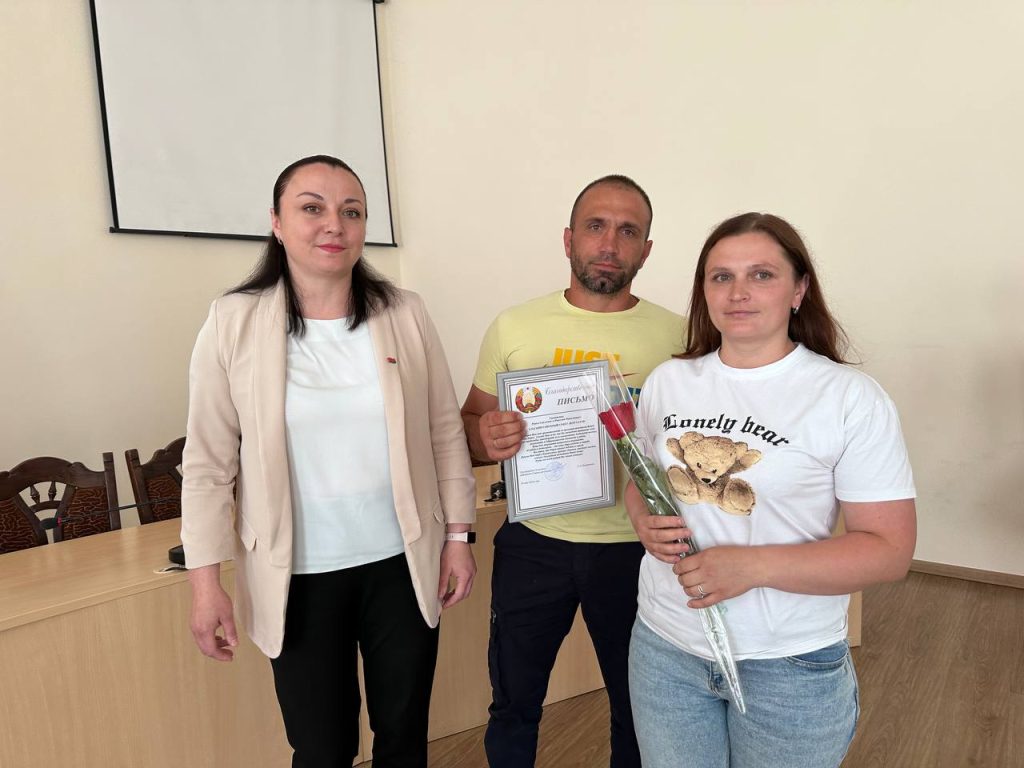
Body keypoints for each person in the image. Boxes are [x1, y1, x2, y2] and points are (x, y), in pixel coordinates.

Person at [180, 154, 477, 768]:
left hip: (402, 565)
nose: (333, 225)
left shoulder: (404, 313)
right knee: (321, 748)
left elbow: (444, 433)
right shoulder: (233, 321)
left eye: (351, 211)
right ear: (276, 222)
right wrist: (206, 585)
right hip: (297, 577)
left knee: (403, 738)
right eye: (311, 208)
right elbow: (208, 464)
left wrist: (458, 537)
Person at [626, 212, 917, 768]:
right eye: (721, 276)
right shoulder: (669, 380)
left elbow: (889, 551)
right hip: (666, 648)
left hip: (788, 665)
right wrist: (642, 520)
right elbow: (642, 480)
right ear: (704, 291)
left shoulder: (849, 397)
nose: (738, 292)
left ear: (799, 289)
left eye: (761, 275)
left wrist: (751, 567)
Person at [461, 175, 685, 768]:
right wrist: (485, 435)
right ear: (568, 240)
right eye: (595, 226)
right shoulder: (514, 326)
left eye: (628, 231)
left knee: (637, 710)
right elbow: (469, 423)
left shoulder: (682, 337)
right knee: (513, 703)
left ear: (646, 250)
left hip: (638, 550)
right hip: (535, 542)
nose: (609, 243)